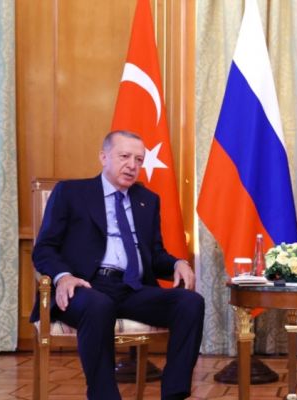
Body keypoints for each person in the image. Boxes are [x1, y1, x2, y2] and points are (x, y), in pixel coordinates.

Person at [30, 130, 205, 400]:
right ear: (104, 157)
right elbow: (44, 248)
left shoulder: (147, 200)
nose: (132, 165)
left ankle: (174, 394)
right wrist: (63, 276)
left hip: (131, 287)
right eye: (124, 156)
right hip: (85, 287)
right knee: (99, 305)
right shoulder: (71, 192)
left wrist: (177, 263)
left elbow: (154, 255)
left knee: (190, 303)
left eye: (139, 159)